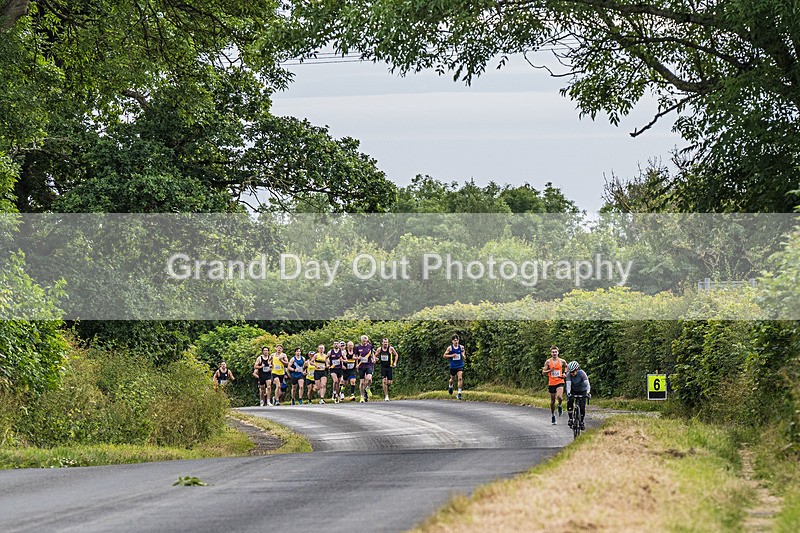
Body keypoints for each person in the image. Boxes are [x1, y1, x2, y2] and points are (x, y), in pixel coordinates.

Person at [541, 346, 567, 425]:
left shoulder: (562, 361)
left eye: (555, 352)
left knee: (559, 397)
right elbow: (543, 372)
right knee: (552, 401)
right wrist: (550, 370)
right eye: (553, 352)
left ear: (558, 353)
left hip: (560, 381)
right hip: (552, 383)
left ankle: (559, 405)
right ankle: (553, 415)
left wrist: (565, 373)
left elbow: (567, 366)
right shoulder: (548, 362)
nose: (554, 353)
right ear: (551, 353)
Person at [566, 361, 591, 431]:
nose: (572, 373)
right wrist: (568, 393)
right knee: (570, 401)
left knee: (582, 406)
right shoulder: (568, 375)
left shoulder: (582, 373)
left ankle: (582, 421)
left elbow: (587, 384)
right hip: (573, 390)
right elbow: (568, 385)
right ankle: (570, 418)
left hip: (582, 390)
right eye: (571, 372)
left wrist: (588, 393)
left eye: (573, 372)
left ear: (577, 370)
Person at [443, 334, 465, 400]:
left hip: (460, 365)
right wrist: (452, 355)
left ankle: (459, 393)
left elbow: (463, 351)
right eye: (455, 340)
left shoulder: (461, 347)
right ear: (452, 341)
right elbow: (444, 355)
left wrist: (463, 355)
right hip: (453, 366)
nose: (456, 341)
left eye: (457, 340)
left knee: (460, 378)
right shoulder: (450, 348)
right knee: (452, 379)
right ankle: (450, 386)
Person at [355, 335, 374, 402]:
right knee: (362, 382)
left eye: (365, 341)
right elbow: (355, 356)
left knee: (369, 379)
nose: (364, 342)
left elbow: (372, 354)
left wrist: (373, 359)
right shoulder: (357, 347)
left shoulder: (370, 346)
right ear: (361, 340)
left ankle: (367, 388)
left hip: (368, 365)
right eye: (363, 341)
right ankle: (362, 396)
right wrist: (357, 360)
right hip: (361, 366)